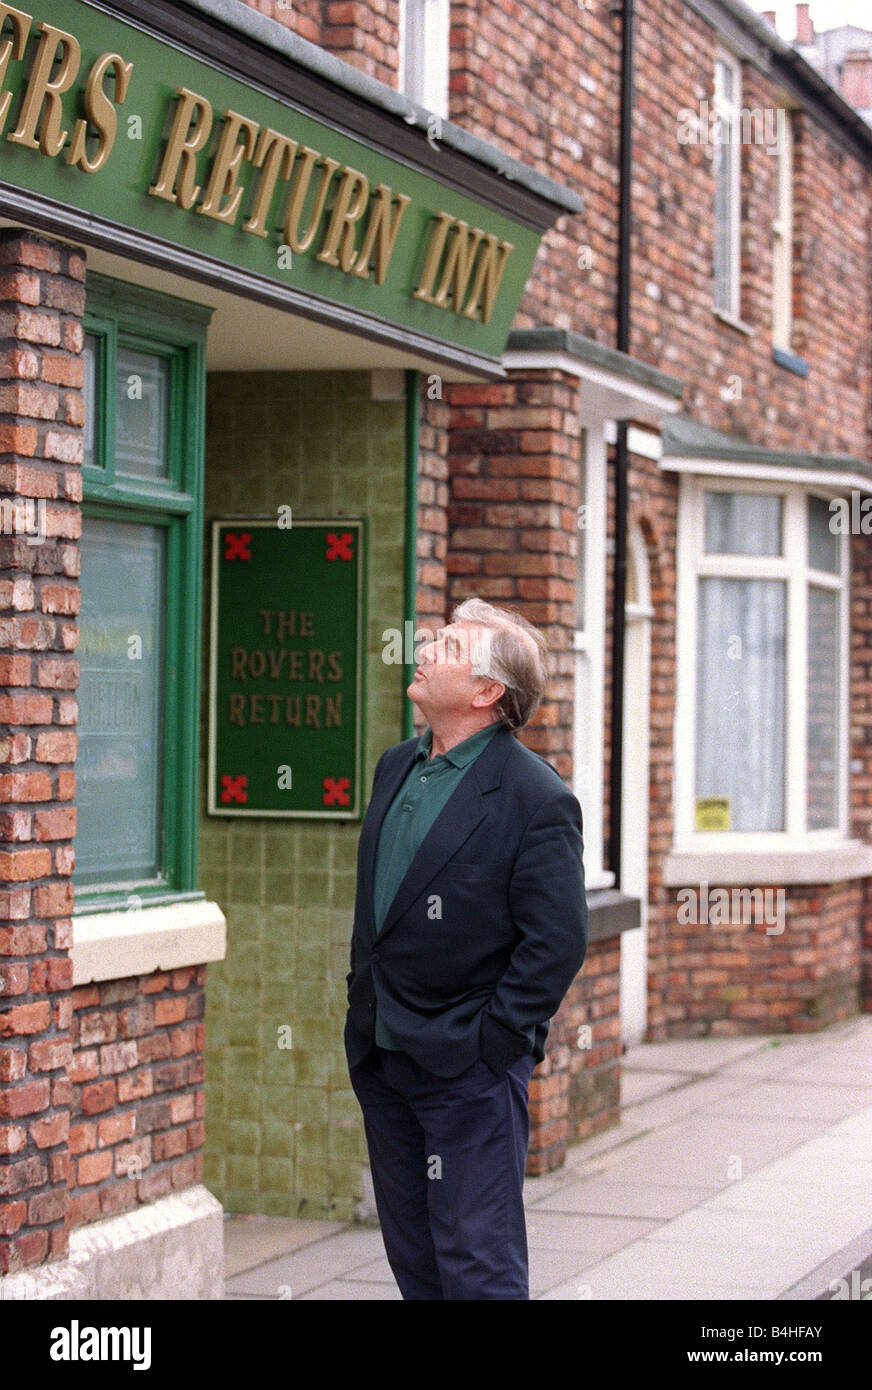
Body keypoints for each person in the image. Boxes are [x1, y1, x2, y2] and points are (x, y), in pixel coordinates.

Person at [344, 596, 588, 1300]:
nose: (424, 649)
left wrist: (495, 1037)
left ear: (488, 693)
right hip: (382, 1052)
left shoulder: (535, 798)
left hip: (468, 1068)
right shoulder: (397, 765)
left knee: (477, 1265)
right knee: (415, 1260)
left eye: (448, 648)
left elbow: (558, 939)